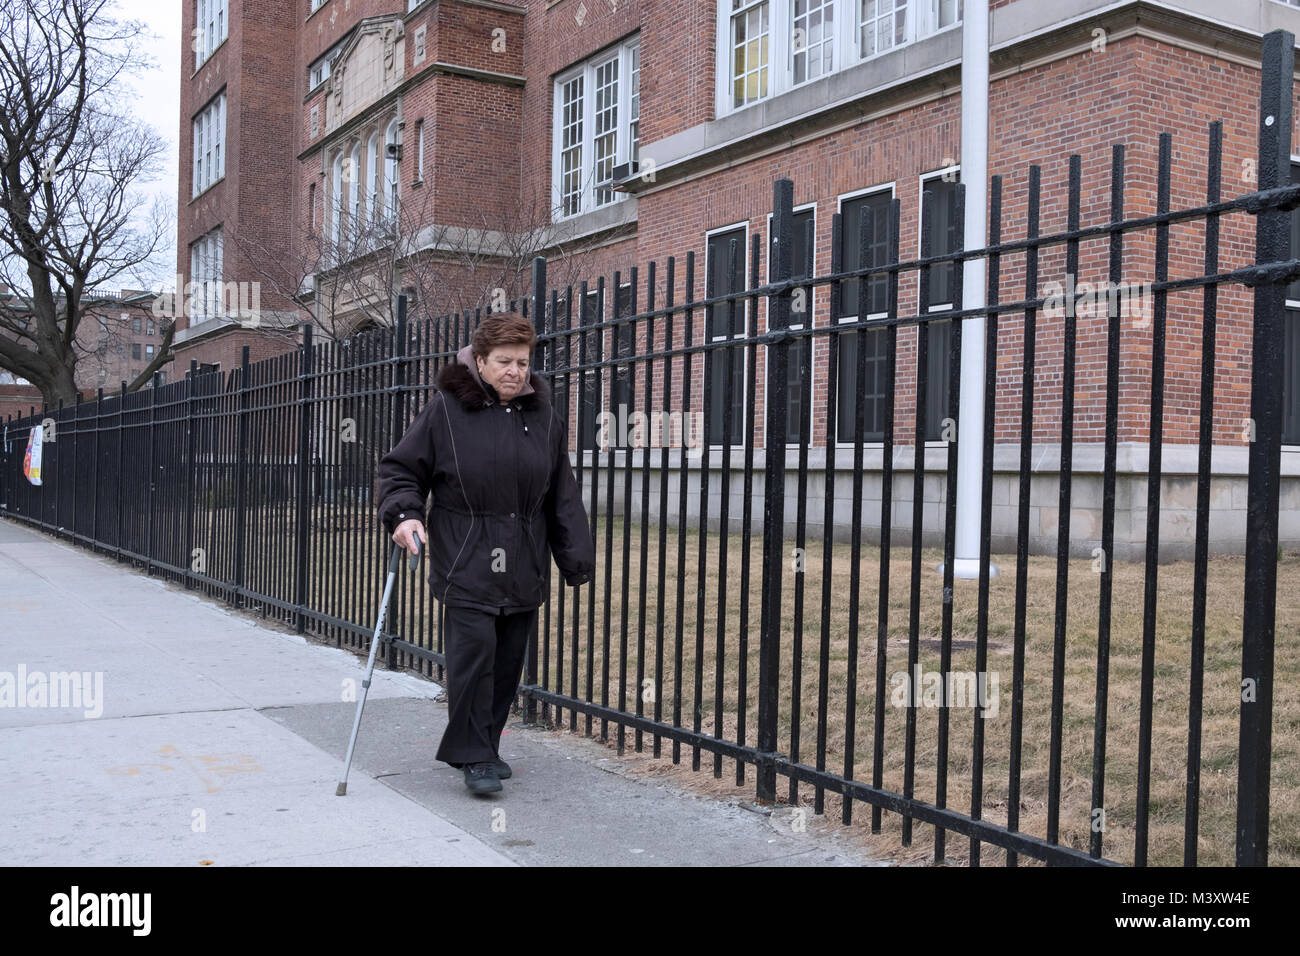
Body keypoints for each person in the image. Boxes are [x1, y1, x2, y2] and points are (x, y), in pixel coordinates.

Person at [376, 311, 595, 794]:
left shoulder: (543, 414)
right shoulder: (447, 410)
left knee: (508, 661)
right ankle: (473, 756)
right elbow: (400, 471)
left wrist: (574, 556)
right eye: (504, 361)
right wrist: (404, 515)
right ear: (479, 360)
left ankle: (487, 745)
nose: (516, 371)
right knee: (474, 657)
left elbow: (561, 488)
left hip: (523, 561)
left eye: (523, 362)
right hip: (465, 557)